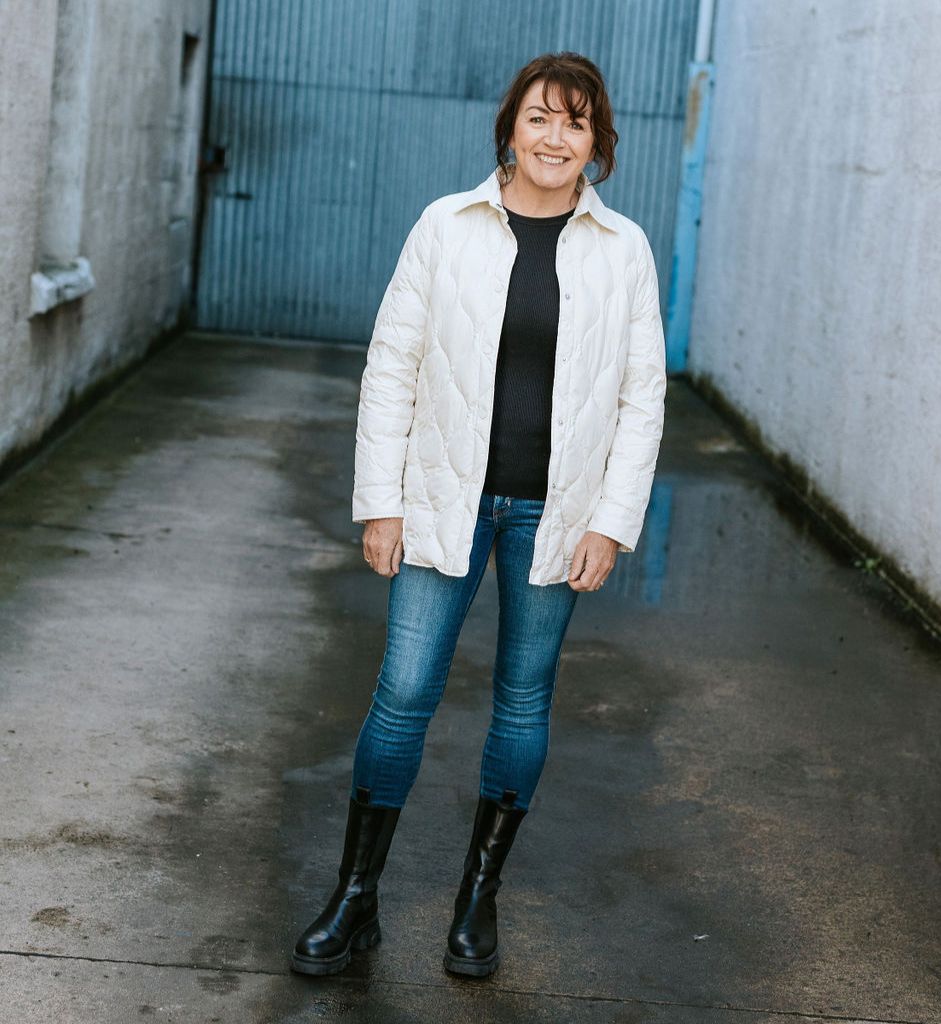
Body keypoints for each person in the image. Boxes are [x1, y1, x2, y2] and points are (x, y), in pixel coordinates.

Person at [291, 51, 667, 979]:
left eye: (576, 124)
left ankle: (477, 902)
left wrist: (610, 523)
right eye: (541, 117)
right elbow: (392, 368)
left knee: (523, 700)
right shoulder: (445, 227)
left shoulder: (623, 251)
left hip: (557, 512)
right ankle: (356, 899)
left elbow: (642, 397)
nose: (555, 137)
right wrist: (380, 503)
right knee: (403, 693)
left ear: (598, 146)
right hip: (441, 499)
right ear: (510, 127)